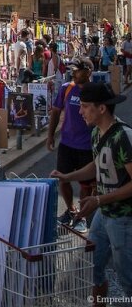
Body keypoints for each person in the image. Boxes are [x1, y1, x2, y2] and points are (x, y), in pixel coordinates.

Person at [50, 82, 132, 300]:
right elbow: (96, 165)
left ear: (102, 108)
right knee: (94, 268)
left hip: (123, 219)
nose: (79, 111)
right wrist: (67, 177)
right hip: (103, 215)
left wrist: (99, 199)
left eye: (85, 106)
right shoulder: (96, 133)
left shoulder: (123, 137)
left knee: (127, 277)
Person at [47, 57, 94, 233]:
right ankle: (71, 210)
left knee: (86, 185)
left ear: (88, 73)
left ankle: (82, 216)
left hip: (87, 146)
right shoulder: (67, 89)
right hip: (67, 144)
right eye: (72, 70)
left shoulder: (96, 91)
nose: (73, 73)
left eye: (77, 71)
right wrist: (50, 135)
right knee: (63, 179)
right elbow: (56, 112)